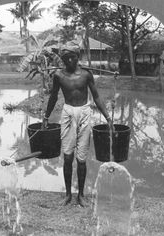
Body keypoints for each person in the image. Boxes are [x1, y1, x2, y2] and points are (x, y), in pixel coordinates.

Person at [42, 43, 114, 207]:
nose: (69, 60)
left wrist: (108, 117)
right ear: (62, 59)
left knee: (81, 158)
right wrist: (46, 117)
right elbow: (53, 97)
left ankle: (81, 195)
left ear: (78, 57)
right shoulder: (59, 75)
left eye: (72, 57)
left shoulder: (86, 75)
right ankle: (68, 195)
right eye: (65, 57)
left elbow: (96, 96)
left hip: (85, 112)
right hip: (68, 113)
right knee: (67, 156)